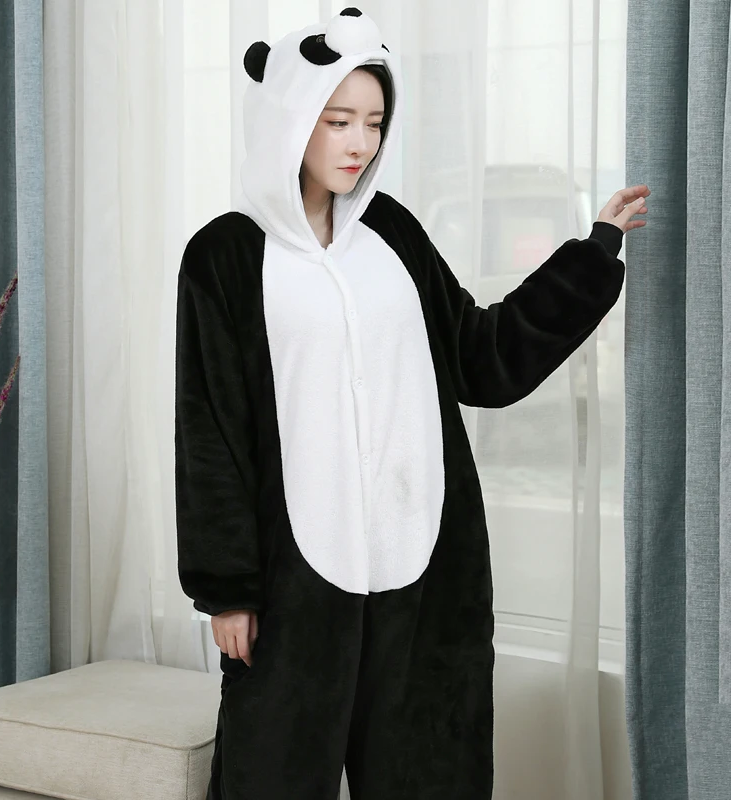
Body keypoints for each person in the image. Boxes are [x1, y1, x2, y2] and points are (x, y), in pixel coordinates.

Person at [175, 7, 647, 800]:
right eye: (338, 121)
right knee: (271, 775)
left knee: (430, 778)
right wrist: (226, 589)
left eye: (373, 122)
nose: (359, 143)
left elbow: (482, 358)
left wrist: (593, 254)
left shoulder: (391, 232)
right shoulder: (224, 255)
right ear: (291, 116)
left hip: (426, 569)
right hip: (296, 583)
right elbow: (210, 432)